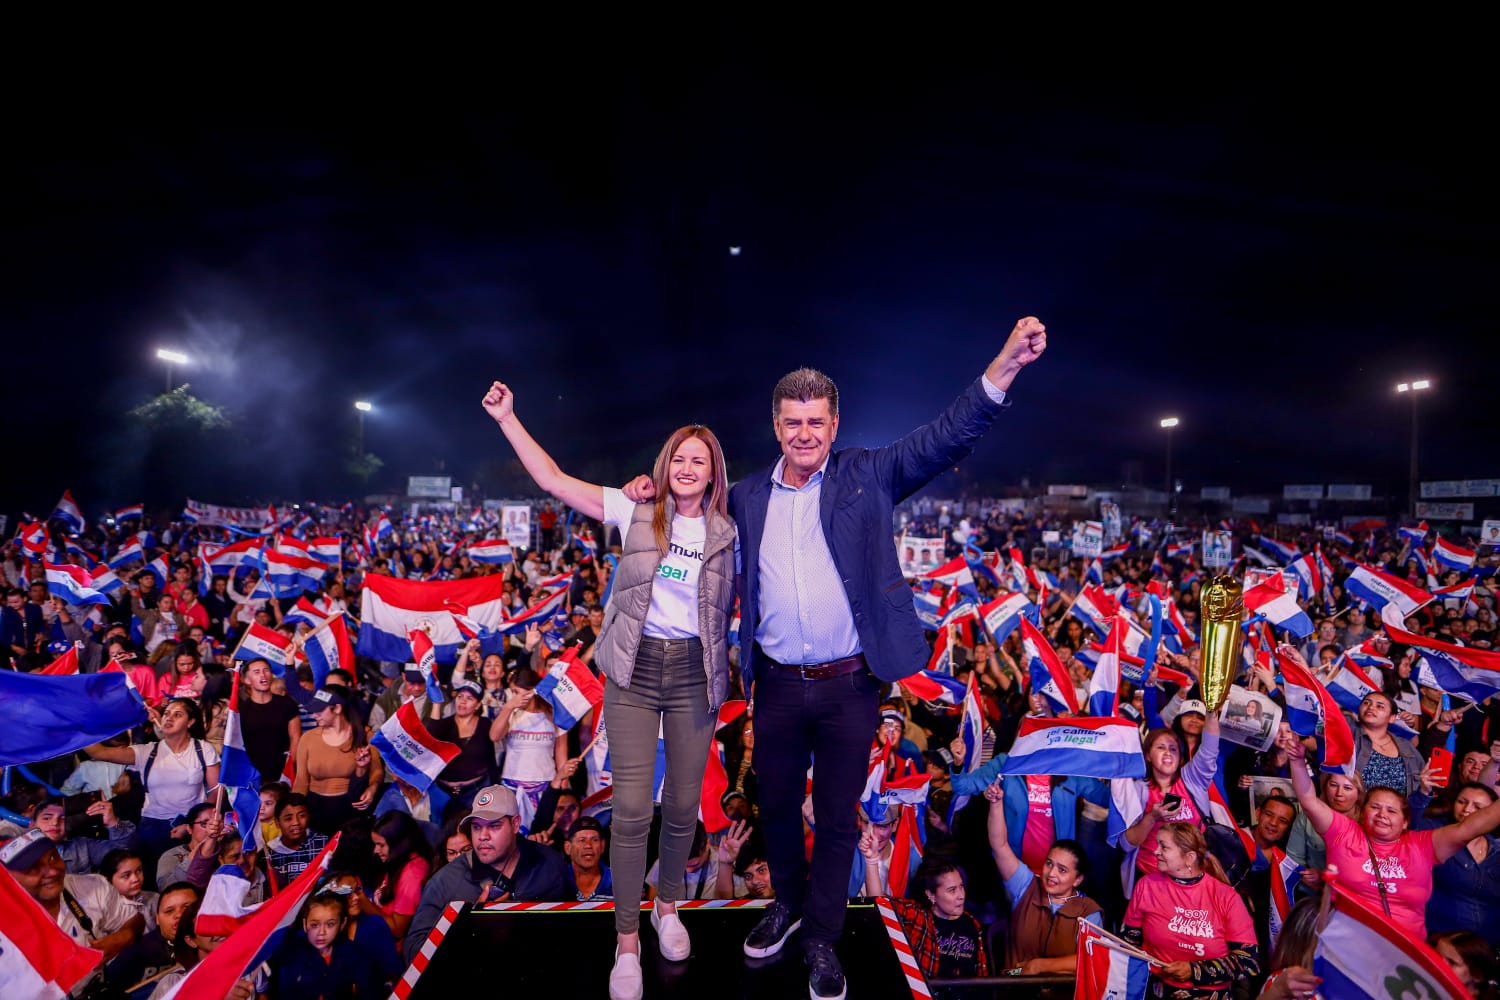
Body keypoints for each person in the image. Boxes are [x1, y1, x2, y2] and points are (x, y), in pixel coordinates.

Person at [629, 317, 1046, 1000]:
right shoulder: (747, 500)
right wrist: (650, 492)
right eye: (792, 421)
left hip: (852, 685)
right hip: (778, 686)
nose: (804, 434)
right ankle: (787, 906)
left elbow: (946, 437)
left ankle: (823, 935)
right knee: (776, 808)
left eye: (816, 421)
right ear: (774, 424)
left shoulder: (868, 475)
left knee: (837, 816)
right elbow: (684, 515)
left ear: (834, 421)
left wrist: (1004, 367)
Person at [483, 379, 737, 1000]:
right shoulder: (634, 510)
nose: (685, 467)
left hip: (695, 673)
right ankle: (627, 944)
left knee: (681, 807)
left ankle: (668, 908)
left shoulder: (733, 529)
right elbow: (554, 481)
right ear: (662, 466)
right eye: (677, 457)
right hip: (632, 668)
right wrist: (508, 418)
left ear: (713, 474)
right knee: (629, 811)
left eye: (697, 460)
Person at [1280, 724, 1500, 941]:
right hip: (1347, 945)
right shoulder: (1344, 831)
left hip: (1403, 954)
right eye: (1375, 807)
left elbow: (1470, 827)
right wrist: (1298, 761)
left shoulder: (1423, 843)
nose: (1382, 814)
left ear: (1405, 822)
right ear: (1363, 812)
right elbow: (1308, 800)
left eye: (1392, 810)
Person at [404, 785, 569, 966]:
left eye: (494, 826)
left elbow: (568, 936)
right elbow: (414, 952)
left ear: (515, 824)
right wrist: (474, 924)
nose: (483, 836)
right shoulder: (445, 882)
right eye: (476, 827)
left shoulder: (549, 864)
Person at [1122, 821, 1260, 999]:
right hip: (1155, 990)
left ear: (1189, 857)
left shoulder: (1227, 897)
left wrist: (1193, 970)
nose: (1155, 851)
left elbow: (1249, 962)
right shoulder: (1147, 886)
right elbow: (1128, 941)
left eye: (1164, 847)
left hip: (1209, 994)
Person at [83, 697, 221, 868]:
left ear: (190, 722)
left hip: (191, 825)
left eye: (177, 715)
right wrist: (80, 724)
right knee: (154, 877)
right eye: (167, 714)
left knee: (190, 877)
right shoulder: (147, 751)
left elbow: (216, 792)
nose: (169, 718)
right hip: (152, 826)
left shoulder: (203, 749)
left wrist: (191, 825)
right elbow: (99, 752)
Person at [983, 780, 1101, 974]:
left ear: (1078, 879)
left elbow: (1092, 960)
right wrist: (996, 804)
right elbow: (999, 845)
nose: (1052, 873)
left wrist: (1039, 966)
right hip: (1018, 992)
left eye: (1062, 870)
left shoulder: (1089, 912)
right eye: (1049, 864)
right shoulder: (1025, 885)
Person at [1, 827, 145, 963]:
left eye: (52, 858)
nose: (52, 872)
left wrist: (124, 936)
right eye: (33, 868)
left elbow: (134, 920)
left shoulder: (92, 886)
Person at [1111, 712, 1223, 886]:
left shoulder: (1192, 780)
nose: (1168, 753)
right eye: (1160, 747)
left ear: (1180, 758)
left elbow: (1209, 750)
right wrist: (1152, 817)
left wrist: (1212, 712)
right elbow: (1126, 844)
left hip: (1190, 878)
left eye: (1173, 748)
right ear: (1148, 755)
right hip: (1149, 878)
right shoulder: (1136, 789)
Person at [1413, 781, 1500, 942]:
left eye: (1478, 808)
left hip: (1484, 951)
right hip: (1438, 939)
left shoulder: (1496, 850)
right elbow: (1408, 826)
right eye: (1462, 802)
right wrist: (1423, 793)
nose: (1467, 809)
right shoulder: (1434, 832)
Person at [293, 685, 382, 834]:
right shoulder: (308, 738)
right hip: (316, 811)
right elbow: (301, 780)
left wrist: (372, 788)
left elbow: (377, 771)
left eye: (320, 710)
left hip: (351, 812)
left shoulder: (365, 735)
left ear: (337, 709)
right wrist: (295, 810)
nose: (315, 715)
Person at [266, 890, 384, 999]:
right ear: (305, 924)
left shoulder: (355, 955)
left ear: (342, 924)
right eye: (314, 925)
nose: (321, 933)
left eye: (330, 924)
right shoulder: (289, 950)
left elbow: (369, 993)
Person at [886, 861, 991, 981]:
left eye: (961, 886)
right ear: (931, 895)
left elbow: (982, 976)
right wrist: (871, 862)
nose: (961, 895)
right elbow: (881, 908)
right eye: (952, 890)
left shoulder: (972, 923)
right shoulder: (917, 916)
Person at [426, 677, 497, 806]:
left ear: (477, 705)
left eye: (469, 698)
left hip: (476, 792)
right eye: (460, 696)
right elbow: (430, 740)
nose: (463, 701)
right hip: (443, 793)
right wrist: (436, 704)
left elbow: (491, 759)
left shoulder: (485, 724)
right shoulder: (444, 724)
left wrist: (496, 788)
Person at [368, 810, 434, 946]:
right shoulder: (397, 861)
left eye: (381, 845)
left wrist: (365, 904)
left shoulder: (412, 875)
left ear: (398, 844)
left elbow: (397, 930)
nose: (375, 851)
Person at [30, 792, 138, 874]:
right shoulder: (18, 850)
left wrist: (112, 822)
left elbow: (124, 854)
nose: (55, 823)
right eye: (46, 818)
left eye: (63, 818)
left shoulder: (82, 847)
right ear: (32, 824)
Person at [236, 658, 302, 784]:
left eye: (266, 670)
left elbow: (296, 737)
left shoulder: (287, 704)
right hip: (252, 773)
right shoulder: (241, 710)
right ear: (247, 680)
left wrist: (290, 766)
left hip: (284, 772)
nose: (263, 674)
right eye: (257, 672)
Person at [267, 792, 331, 888]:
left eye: (302, 816)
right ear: (277, 822)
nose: (296, 822)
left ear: (308, 816)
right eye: (288, 818)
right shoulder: (269, 852)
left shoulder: (324, 844)